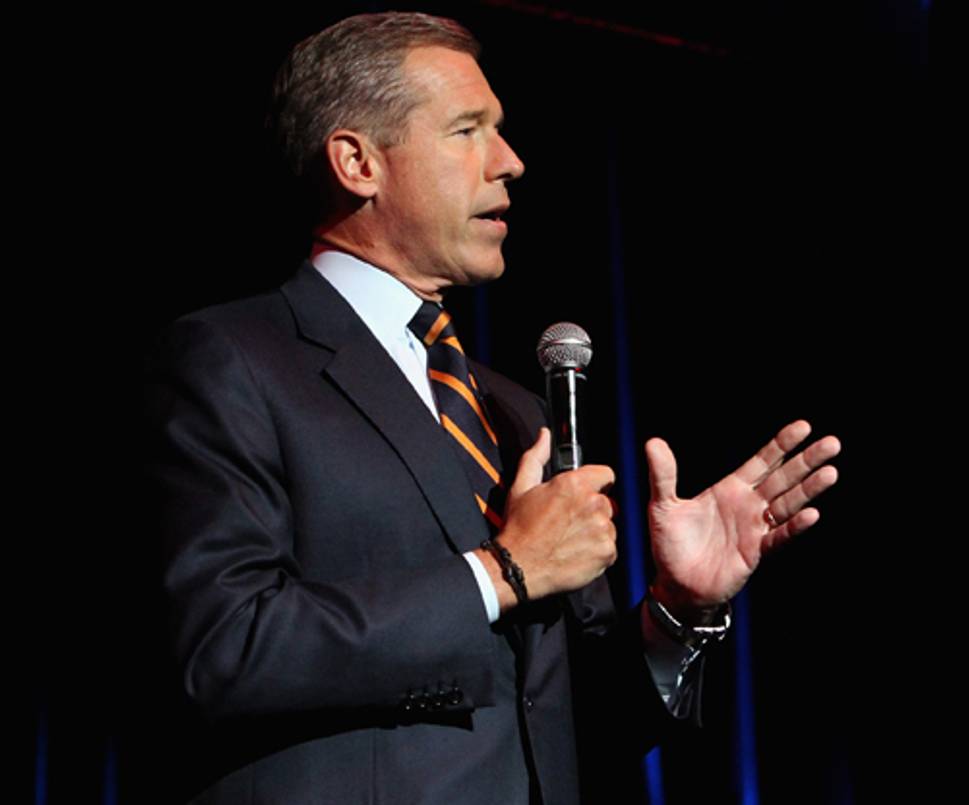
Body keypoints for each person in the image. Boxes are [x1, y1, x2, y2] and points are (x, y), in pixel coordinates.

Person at [144, 11, 841, 805]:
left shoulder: (510, 408)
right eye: (467, 130)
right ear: (357, 161)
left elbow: (568, 721)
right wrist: (501, 572)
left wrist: (677, 612)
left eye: (500, 132)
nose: (509, 162)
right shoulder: (234, 358)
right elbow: (224, 648)